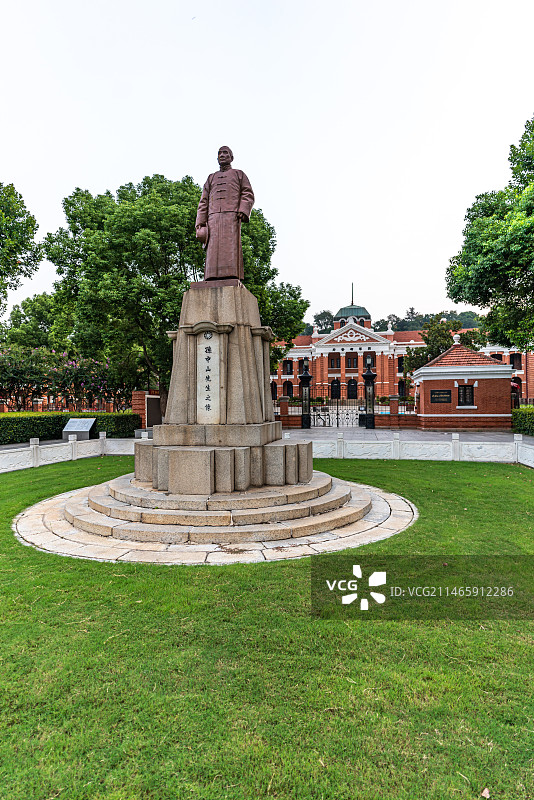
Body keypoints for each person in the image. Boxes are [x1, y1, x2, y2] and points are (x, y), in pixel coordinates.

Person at [195, 146, 254, 281]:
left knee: (230, 249)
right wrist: (200, 223)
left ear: (231, 158)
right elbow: (203, 202)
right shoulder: (211, 178)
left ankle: (231, 275)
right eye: (220, 153)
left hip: (232, 217)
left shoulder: (239, 174)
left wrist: (243, 210)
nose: (222, 155)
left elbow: (247, 193)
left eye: (225, 153)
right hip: (213, 219)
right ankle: (211, 277)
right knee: (212, 251)